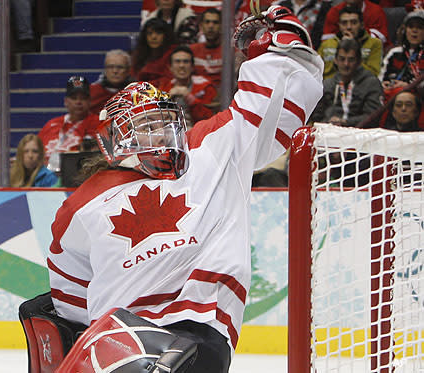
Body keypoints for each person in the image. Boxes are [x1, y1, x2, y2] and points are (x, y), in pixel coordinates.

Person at [45, 5, 323, 371]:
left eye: (163, 121)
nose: (159, 133)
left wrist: (274, 47)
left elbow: (280, 105)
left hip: (198, 331)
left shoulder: (212, 148)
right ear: (115, 139)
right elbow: (69, 296)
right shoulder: (81, 205)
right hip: (116, 340)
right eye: (145, 125)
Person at [311, 38, 383, 127]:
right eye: (342, 59)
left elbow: (374, 117)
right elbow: (316, 117)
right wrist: (328, 122)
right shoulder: (328, 84)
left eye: (351, 60)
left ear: (359, 61)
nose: (346, 64)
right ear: (335, 60)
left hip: (361, 134)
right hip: (329, 134)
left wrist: (346, 122)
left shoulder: (371, 84)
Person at [38, 76, 100, 173]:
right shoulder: (52, 124)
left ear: (89, 101)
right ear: (66, 101)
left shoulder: (98, 124)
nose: (78, 102)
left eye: (83, 98)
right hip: (43, 174)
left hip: (76, 175)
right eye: (74, 98)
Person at [157, 45, 217, 125]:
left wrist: (189, 98)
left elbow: (209, 118)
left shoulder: (205, 87)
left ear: (192, 67)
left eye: (186, 62)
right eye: (177, 62)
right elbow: (158, 119)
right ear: (170, 67)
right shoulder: (163, 88)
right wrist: (167, 100)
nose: (182, 66)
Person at [318, 5, 382, 79]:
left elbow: (374, 74)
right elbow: (317, 71)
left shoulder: (374, 43)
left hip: (361, 85)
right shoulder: (327, 44)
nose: (349, 27)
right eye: (344, 23)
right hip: (329, 86)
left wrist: (353, 45)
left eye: (354, 23)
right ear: (339, 25)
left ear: (362, 25)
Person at [380, 9, 424, 99]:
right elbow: (380, 76)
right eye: (411, 27)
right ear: (405, 30)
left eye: (419, 27)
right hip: (390, 96)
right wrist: (383, 84)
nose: (414, 30)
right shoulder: (395, 52)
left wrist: (407, 85)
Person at [321, 0, 389, 46]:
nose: (349, 27)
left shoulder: (376, 11)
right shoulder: (334, 12)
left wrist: (356, 36)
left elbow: (381, 40)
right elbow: (326, 43)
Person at [131, 17, 175, 83]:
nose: (153, 37)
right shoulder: (139, 54)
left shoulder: (174, 54)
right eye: (149, 33)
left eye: (158, 33)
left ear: (166, 35)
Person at [89, 49, 134, 115]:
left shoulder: (135, 91)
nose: (115, 71)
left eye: (120, 67)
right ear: (105, 69)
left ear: (128, 70)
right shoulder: (92, 91)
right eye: (110, 67)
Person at [190, 8, 222, 89]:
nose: (211, 26)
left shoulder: (231, 53)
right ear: (201, 26)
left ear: (222, 26)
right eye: (207, 22)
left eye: (215, 22)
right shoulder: (192, 50)